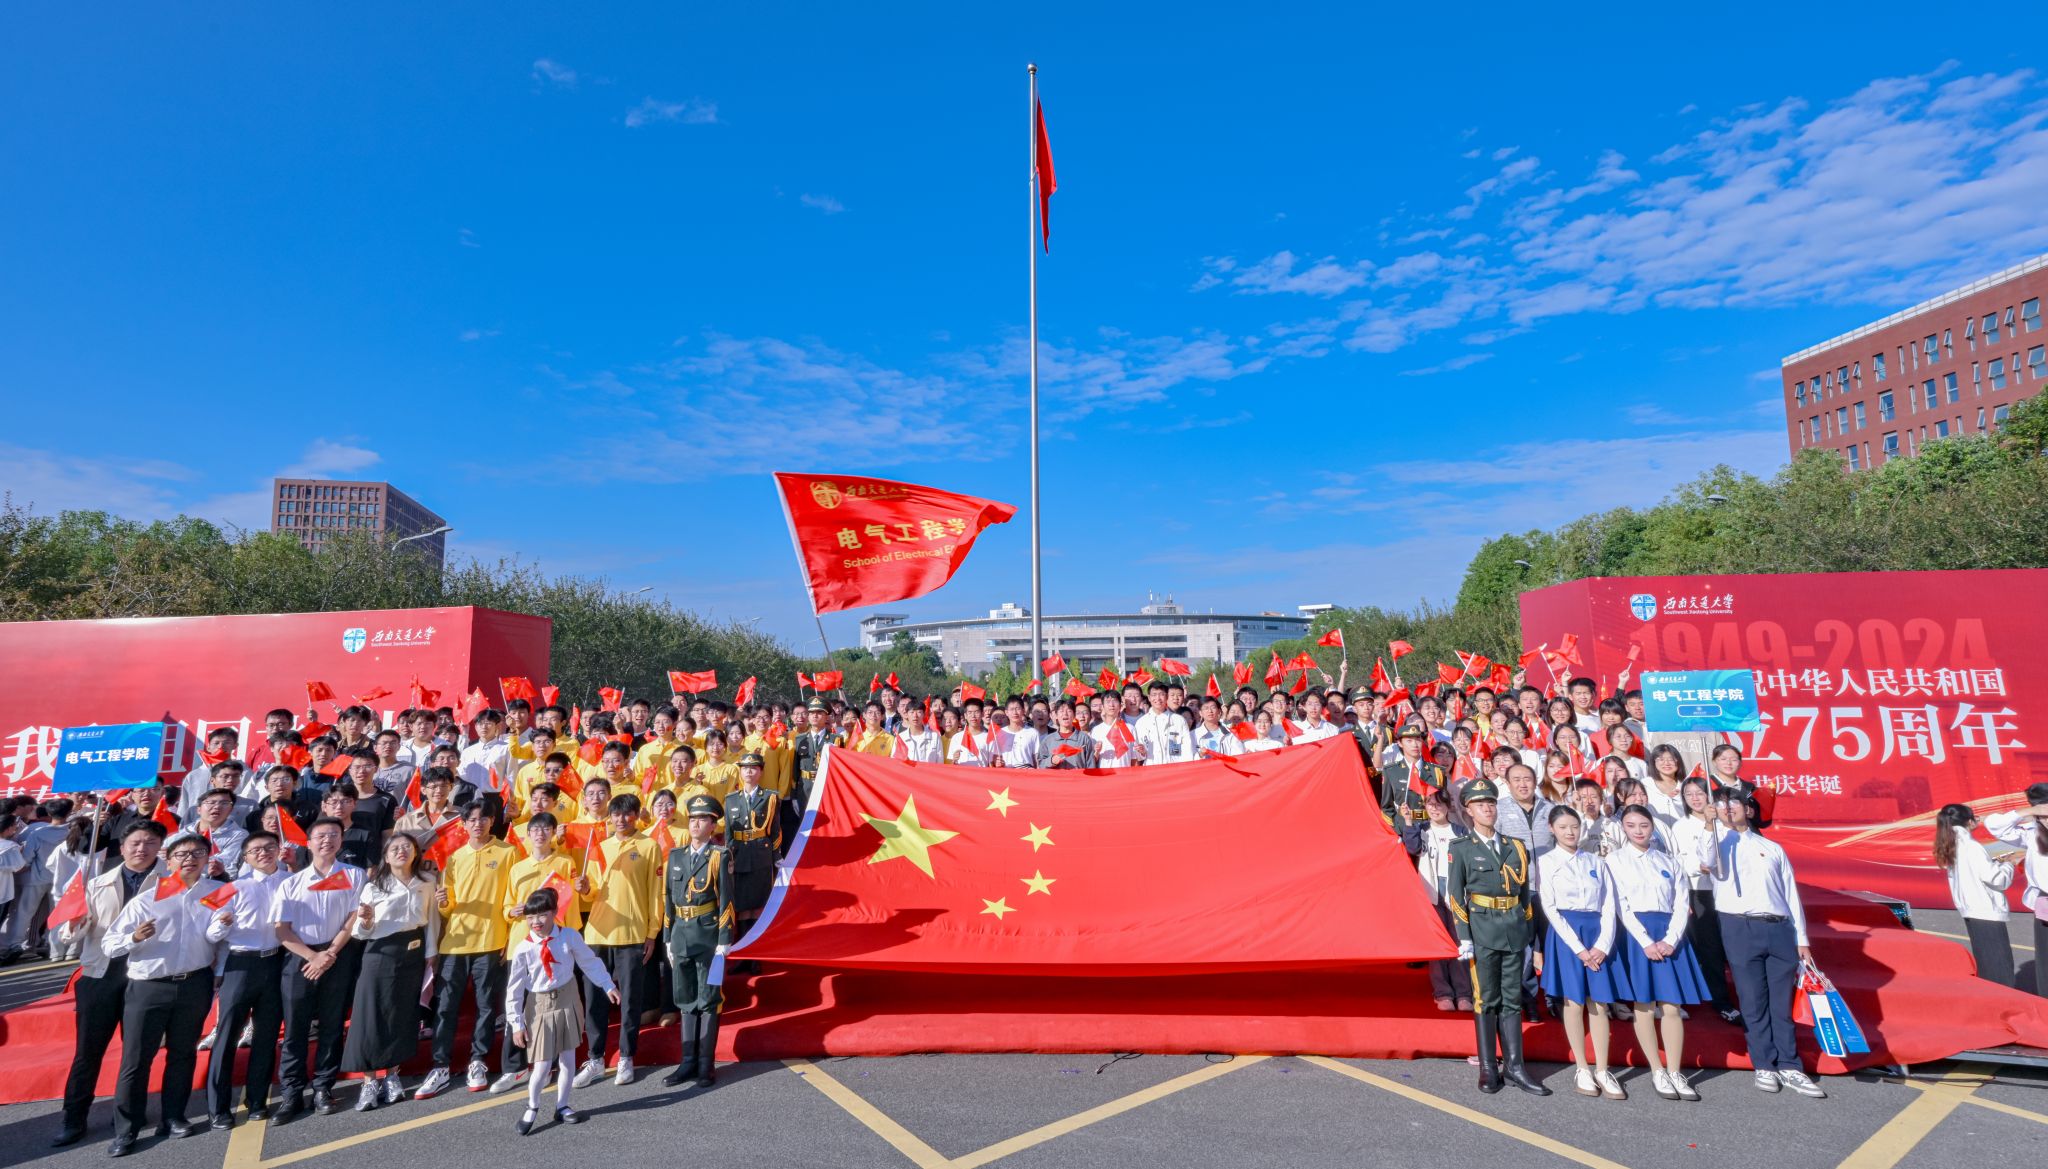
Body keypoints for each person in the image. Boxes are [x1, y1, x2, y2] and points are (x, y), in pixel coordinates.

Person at [102, 831, 225, 1156]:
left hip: (195, 983)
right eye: (181, 854)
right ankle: (126, 1129)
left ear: (207, 858)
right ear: (168, 861)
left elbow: (223, 938)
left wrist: (220, 970)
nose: (190, 859)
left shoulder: (217, 893)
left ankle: (173, 1117)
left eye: (197, 853)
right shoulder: (146, 899)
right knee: (136, 1059)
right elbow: (109, 945)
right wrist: (133, 938)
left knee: (182, 1054)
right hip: (149, 987)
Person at [51, 820, 166, 1149]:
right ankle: (74, 1118)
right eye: (135, 843)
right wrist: (74, 925)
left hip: (145, 975)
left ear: (160, 847)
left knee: (137, 1052)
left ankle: (130, 1113)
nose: (142, 849)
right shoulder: (96, 882)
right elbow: (69, 935)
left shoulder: (170, 882)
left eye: (150, 842)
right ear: (123, 847)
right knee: (88, 1052)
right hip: (100, 974)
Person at [1708, 789, 1826, 1098]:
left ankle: (1790, 1065)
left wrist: (1801, 938)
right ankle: (1764, 1064)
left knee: (1780, 1003)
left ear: (1748, 809)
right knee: (1752, 1000)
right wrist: (1709, 826)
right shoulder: (1717, 845)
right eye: (1721, 804)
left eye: (1734, 803)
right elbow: (1704, 861)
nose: (1728, 808)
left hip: (1779, 928)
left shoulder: (1772, 848)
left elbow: (1790, 895)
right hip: (1740, 926)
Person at [1445, 778, 1548, 1096]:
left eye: (1490, 803)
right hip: (1482, 930)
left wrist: (1528, 932)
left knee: (1512, 997)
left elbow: (1524, 894)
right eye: (1480, 804)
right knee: (1486, 998)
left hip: (1513, 928)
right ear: (1468, 810)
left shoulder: (1515, 847)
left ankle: (1515, 1067)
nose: (1487, 809)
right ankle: (1489, 1067)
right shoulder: (1461, 848)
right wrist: (1464, 937)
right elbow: (1456, 896)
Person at [1608, 804, 1712, 1101]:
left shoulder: (1668, 860)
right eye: (1631, 825)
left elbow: (1681, 902)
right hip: (1636, 936)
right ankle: (1657, 1070)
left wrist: (1671, 939)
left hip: (1670, 936)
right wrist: (1645, 941)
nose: (1638, 831)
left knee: (1671, 1006)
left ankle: (1675, 1071)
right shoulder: (1615, 860)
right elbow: (1620, 905)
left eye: (1643, 825)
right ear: (1623, 828)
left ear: (1652, 827)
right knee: (1644, 1004)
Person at [417, 802, 517, 1098]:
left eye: (483, 818)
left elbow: (512, 897)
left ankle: (478, 1061)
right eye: (471, 819)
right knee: (446, 1006)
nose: (477, 823)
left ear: (491, 821)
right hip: (456, 942)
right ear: (464, 824)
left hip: (491, 940)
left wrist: (509, 937)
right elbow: (448, 909)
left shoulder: (508, 852)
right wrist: (443, 902)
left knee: (486, 1006)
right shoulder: (455, 857)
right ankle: (440, 1066)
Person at [272, 817, 365, 1121]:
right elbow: (282, 930)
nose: (328, 840)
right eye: (321, 835)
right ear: (308, 843)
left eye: (334, 834)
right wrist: (313, 957)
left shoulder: (355, 875)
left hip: (337, 955)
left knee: (332, 1024)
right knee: (295, 1028)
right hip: (300, 956)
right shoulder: (291, 882)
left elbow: (353, 919)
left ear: (341, 840)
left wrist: (329, 953)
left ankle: (323, 1087)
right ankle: (291, 1093)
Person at [505, 887, 619, 1135]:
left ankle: (562, 1105)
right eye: (530, 917)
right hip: (539, 1005)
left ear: (555, 912)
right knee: (543, 1064)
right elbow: (514, 989)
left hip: (568, 999)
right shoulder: (523, 948)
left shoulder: (568, 936)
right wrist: (516, 1024)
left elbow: (589, 962)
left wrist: (607, 985)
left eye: (542, 915)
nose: (536, 922)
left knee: (568, 1057)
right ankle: (532, 1106)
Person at [340, 832, 438, 1110]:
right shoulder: (374, 886)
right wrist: (366, 921)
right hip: (380, 952)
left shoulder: (427, 882)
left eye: (407, 847)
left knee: (402, 1014)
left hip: (413, 951)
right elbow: (360, 932)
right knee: (371, 1014)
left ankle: (393, 1074)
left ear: (416, 852)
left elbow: (432, 920)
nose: (401, 851)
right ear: (386, 855)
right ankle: (369, 1081)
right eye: (395, 848)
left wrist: (431, 953)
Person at [1536, 806, 1628, 1100]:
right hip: (1567, 936)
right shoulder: (1546, 862)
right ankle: (1582, 1067)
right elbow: (1550, 907)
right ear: (1552, 829)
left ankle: (1602, 1068)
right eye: (1563, 827)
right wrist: (1578, 948)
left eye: (1574, 826)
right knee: (1574, 1002)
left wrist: (1602, 944)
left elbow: (1609, 904)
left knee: (1599, 1003)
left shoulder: (1596, 861)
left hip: (1597, 933)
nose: (1570, 832)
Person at [575, 793, 664, 1088]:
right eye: (616, 814)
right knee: (595, 1000)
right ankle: (595, 1059)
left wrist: (652, 932)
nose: (621, 819)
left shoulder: (649, 846)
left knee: (630, 1000)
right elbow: (591, 893)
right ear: (610, 817)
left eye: (627, 814)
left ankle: (626, 1056)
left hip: (632, 933)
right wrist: (584, 889)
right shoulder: (599, 847)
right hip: (597, 934)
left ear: (636, 816)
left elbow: (656, 893)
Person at [203, 829, 289, 1128]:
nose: (263, 853)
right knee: (227, 1035)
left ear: (278, 849)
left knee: (266, 1036)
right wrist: (222, 924)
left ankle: (257, 1101)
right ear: (246, 858)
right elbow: (210, 933)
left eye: (269, 847)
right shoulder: (233, 887)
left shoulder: (292, 881)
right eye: (255, 850)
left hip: (276, 962)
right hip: (241, 964)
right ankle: (218, 1108)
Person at [661, 795, 734, 1088]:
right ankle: (687, 1062)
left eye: (702, 819)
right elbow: (668, 898)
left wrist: (724, 939)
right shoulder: (676, 856)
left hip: (708, 935)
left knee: (709, 1000)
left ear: (713, 825)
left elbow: (727, 900)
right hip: (680, 934)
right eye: (692, 819)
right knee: (685, 999)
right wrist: (668, 937)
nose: (695, 824)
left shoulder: (719, 856)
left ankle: (706, 1064)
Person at [1671, 776, 1740, 1024]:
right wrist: (1698, 866)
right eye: (1688, 794)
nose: (1695, 798)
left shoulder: (1726, 822)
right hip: (1699, 890)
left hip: (1729, 892)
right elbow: (1678, 861)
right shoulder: (1680, 826)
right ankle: (1720, 1000)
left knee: (1733, 945)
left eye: (1699, 793)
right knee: (1709, 948)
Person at [1400, 790, 1472, 1011]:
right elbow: (1412, 848)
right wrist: (1408, 821)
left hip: (1456, 892)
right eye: (1430, 804)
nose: (1435, 808)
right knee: (1438, 944)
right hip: (1430, 891)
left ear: (1448, 806)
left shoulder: (1460, 831)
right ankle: (1442, 993)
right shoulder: (1422, 830)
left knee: (1459, 943)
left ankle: (1464, 993)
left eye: (1439, 804)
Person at [1933, 803, 2017, 986]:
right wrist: (2008, 865)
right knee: (1999, 966)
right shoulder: (1972, 846)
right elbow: (1995, 878)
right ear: (1969, 822)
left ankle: (1991, 997)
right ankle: (2004, 999)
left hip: (1970, 908)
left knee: (1986, 963)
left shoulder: (1950, 843)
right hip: (1985, 908)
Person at [1983, 783, 2048, 998]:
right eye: (2042, 813)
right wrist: (2028, 812)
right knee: (2046, 959)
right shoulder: (2031, 832)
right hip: (2045, 902)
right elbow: (1994, 825)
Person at [723, 753, 782, 944]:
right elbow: (728, 833)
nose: (749, 772)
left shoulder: (770, 797)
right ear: (740, 772)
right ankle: (743, 947)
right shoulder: (731, 799)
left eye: (754, 768)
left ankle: (757, 949)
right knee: (741, 904)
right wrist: (727, 858)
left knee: (759, 904)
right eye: (745, 768)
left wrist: (776, 855)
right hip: (739, 855)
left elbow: (775, 829)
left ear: (761, 771)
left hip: (760, 855)